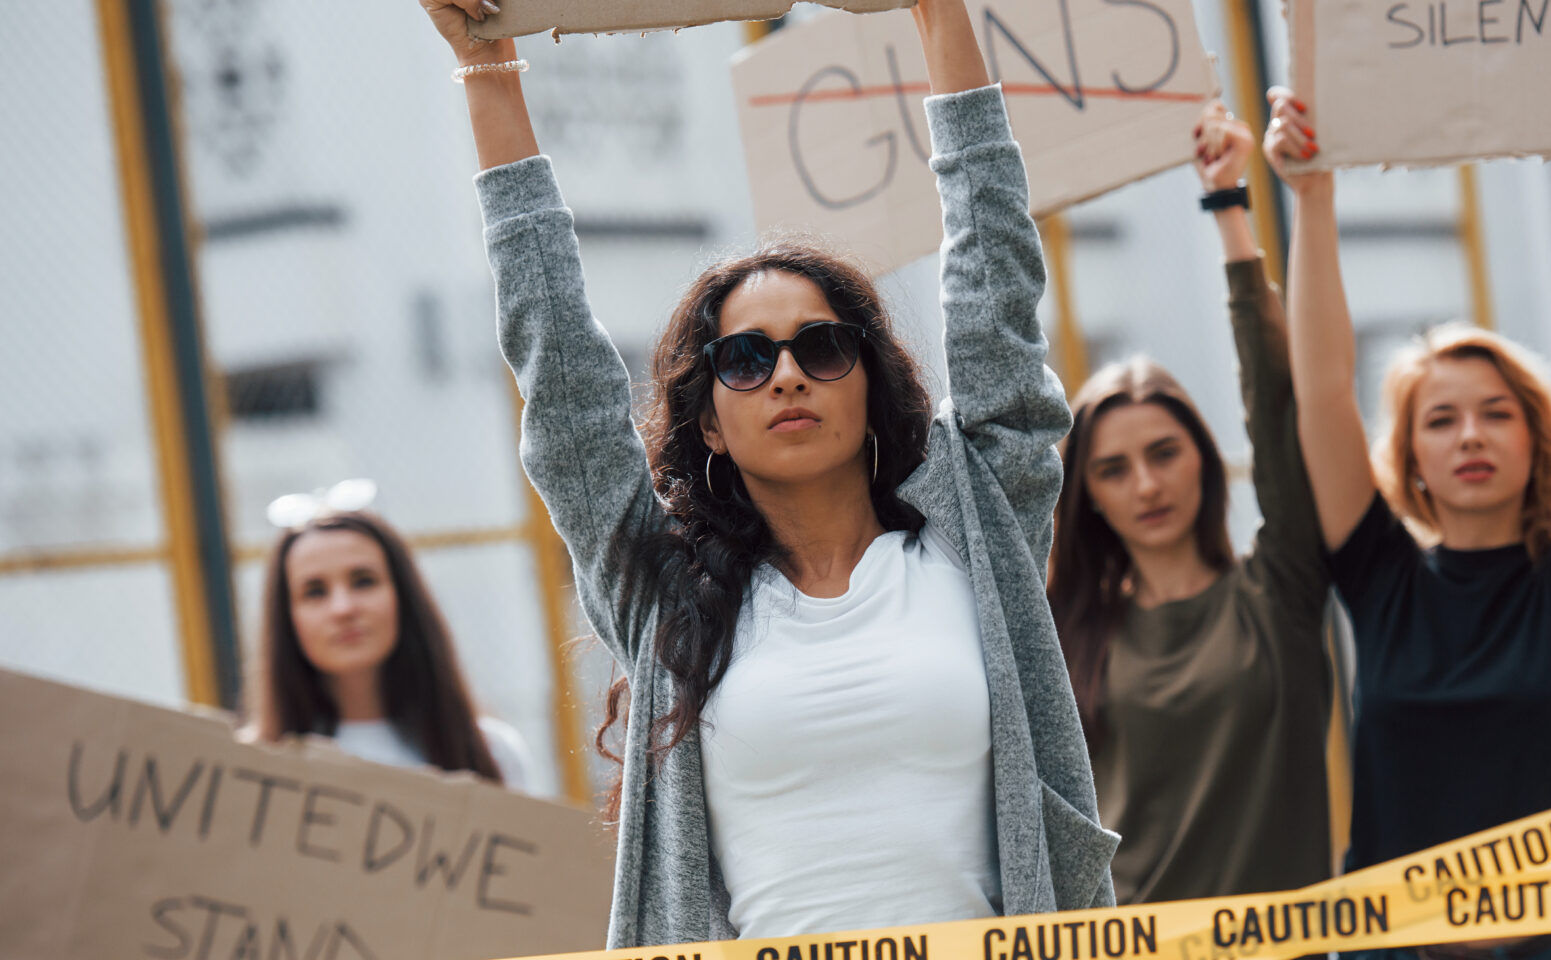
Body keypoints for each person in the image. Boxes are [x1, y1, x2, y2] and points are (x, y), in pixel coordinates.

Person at [418, 0, 1115, 947]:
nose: (787, 375)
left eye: (821, 347)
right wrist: (488, 71)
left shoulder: (976, 533)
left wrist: (939, 14)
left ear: (871, 383)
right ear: (708, 419)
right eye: (745, 360)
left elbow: (995, 287)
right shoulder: (664, 591)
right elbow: (564, 382)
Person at [1267, 55, 1551, 960]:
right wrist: (1311, 199)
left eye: (1496, 413)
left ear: (1536, 437)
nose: (1470, 435)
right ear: (1412, 459)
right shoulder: (1377, 572)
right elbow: (1320, 390)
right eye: (1441, 420)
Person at [1048, 103, 1331, 906]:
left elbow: (1278, 406)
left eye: (1165, 453)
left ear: (1204, 460)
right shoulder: (1067, 628)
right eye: (1113, 469)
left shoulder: (1279, 591)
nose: (1146, 485)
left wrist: (1229, 205)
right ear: (1088, 496)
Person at [247, 483, 531, 791]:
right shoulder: (248, 767)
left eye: (363, 581)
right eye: (315, 591)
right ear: (286, 617)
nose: (343, 608)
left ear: (403, 597)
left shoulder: (493, 753)